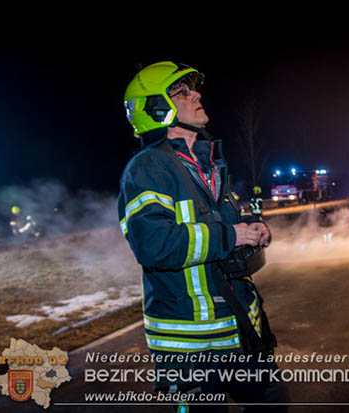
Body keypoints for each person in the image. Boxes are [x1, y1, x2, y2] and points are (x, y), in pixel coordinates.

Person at [118, 61, 289, 412]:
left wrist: (253, 228)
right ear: (155, 107)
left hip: (239, 331)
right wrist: (231, 235)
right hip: (190, 347)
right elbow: (154, 246)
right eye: (181, 91)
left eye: (193, 88)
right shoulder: (148, 168)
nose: (196, 94)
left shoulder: (208, 163)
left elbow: (220, 224)